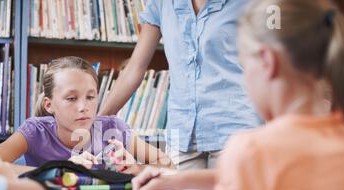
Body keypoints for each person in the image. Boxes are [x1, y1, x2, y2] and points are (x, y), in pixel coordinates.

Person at [125, 0, 344, 190]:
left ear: (266, 63)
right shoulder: (335, 135)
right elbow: (270, 181)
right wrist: (178, 181)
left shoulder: (252, 149)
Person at [99, 0, 262, 170]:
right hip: (182, 133)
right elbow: (135, 68)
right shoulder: (162, 4)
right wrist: (98, 122)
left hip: (235, 130)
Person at [0, 56, 172, 175]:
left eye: (90, 97)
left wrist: (135, 169)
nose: (84, 107)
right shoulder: (35, 131)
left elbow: (168, 165)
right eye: (71, 98)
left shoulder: (113, 129)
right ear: (49, 105)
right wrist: (58, 170)